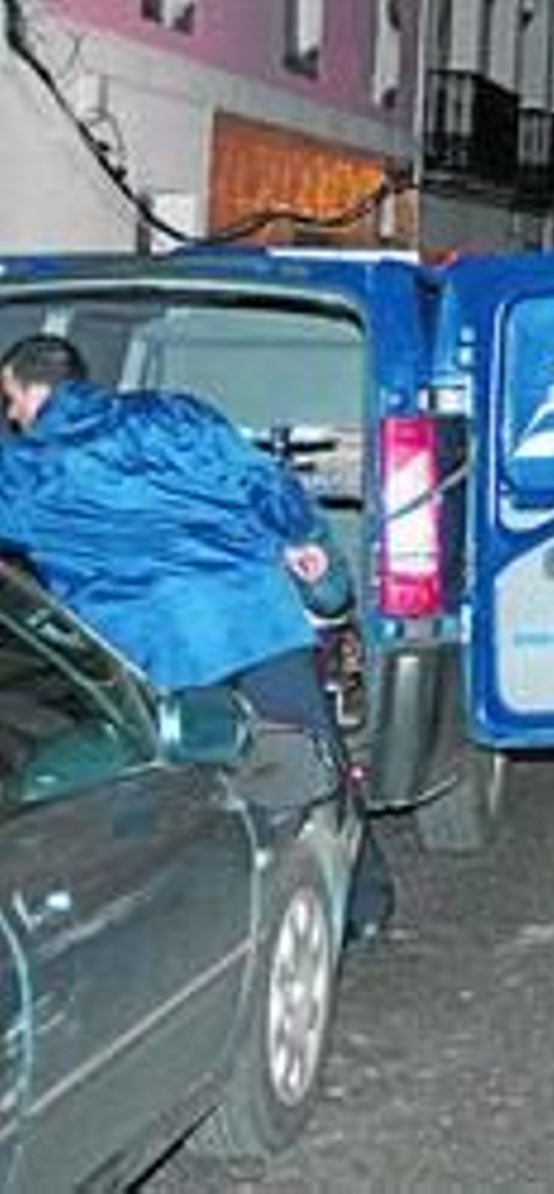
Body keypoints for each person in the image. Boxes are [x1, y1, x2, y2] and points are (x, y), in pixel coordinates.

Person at [0, 333, 393, 939]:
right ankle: (361, 905)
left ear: (31, 390)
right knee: (312, 766)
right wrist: (300, 542)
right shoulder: (173, 414)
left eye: (10, 401)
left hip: (151, 654)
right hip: (254, 622)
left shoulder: (23, 470)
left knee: (178, 792)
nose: (11, 416)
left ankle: (192, 930)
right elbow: (264, 484)